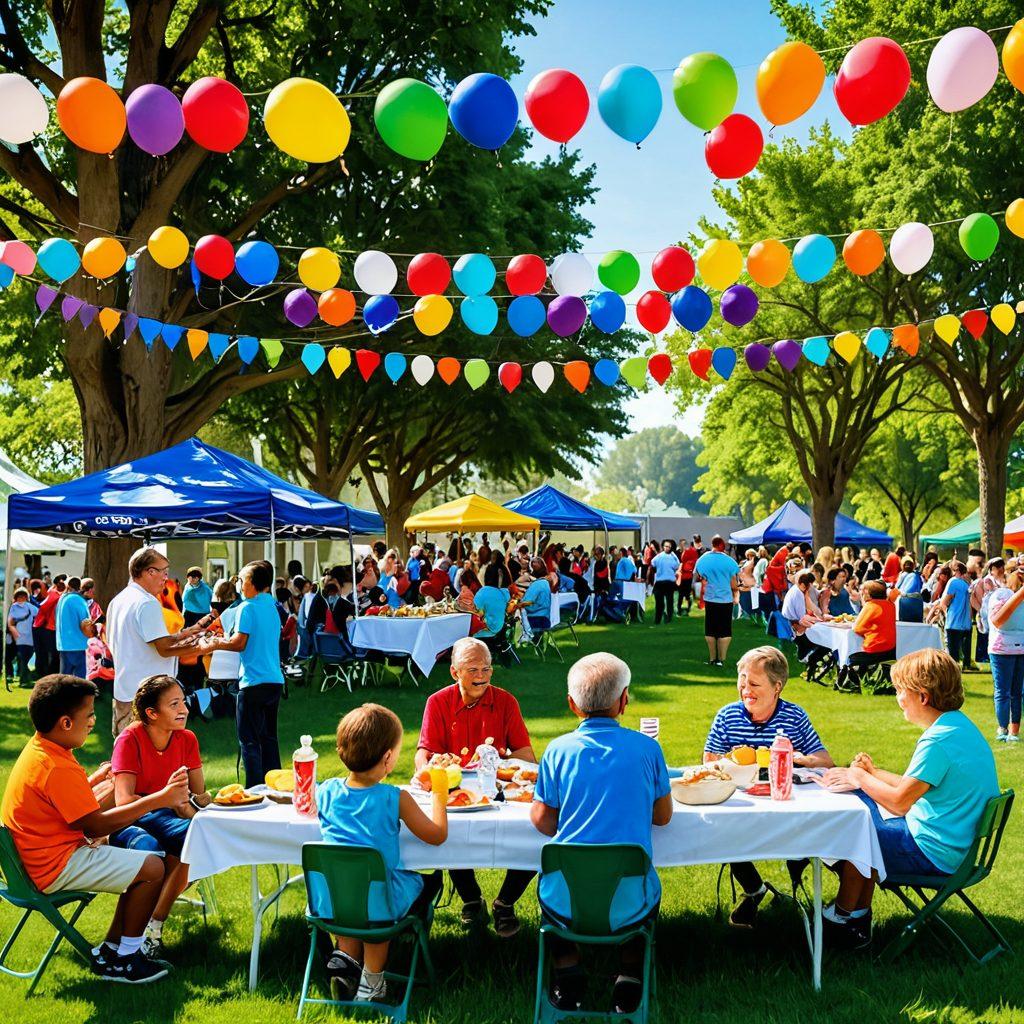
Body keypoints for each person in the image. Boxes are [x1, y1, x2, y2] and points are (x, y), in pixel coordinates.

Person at [1, 674, 189, 982]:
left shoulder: (42, 750)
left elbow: (60, 803)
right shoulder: (57, 766)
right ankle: (126, 961)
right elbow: (95, 824)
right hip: (54, 866)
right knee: (153, 867)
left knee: (140, 862)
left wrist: (93, 781)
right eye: (88, 715)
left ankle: (113, 949)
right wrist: (160, 798)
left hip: (34, 863)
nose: (92, 721)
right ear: (65, 723)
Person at [819, 650, 999, 949]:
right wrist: (872, 772)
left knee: (853, 831)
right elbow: (910, 787)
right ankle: (857, 915)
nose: (897, 696)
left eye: (901, 690)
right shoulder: (958, 727)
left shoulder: (937, 741)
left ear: (923, 697)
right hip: (955, 848)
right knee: (864, 816)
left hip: (934, 853)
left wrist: (860, 778)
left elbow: (900, 802)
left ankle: (844, 918)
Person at [531, 652, 672, 1014]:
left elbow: (544, 820)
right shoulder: (647, 749)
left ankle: (567, 971)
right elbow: (663, 816)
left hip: (566, 899)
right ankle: (629, 975)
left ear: (571, 705)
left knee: (550, 882)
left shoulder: (557, 751)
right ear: (624, 700)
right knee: (638, 884)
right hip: (631, 899)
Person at [317, 704, 448, 1003]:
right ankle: (372, 982)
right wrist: (439, 790)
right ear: (388, 757)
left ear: (341, 750)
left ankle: (347, 962)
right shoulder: (395, 797)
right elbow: (437, 835)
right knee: (379, 903)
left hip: (331, 899)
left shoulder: (325, 792)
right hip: (379, 900)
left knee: (354, 894)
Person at [703, 647, 834, 926]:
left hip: (784, 803)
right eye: (741, 681)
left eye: (753, 683)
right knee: (727, 832)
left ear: (777, 687)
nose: (744, 690)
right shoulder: (728, 716)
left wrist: (796, 757)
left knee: (801, 834)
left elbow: (825, 760)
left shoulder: (794, 717)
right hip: (740, 805)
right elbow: (709, 762)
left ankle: (798, 891)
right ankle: (754, 889)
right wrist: (729, 761)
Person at [415, 637, 536, 937]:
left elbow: (527, 757)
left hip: (499, 791)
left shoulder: (505, 701)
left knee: (535, 832)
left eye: (487, 669)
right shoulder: (438, 702)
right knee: (447, 834)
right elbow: (423, 752)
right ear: (454, 672)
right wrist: (428, 767)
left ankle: (505, 902)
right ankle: (471, 898)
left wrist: (501, 758)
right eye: (473, 670)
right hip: (456, 791)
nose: (482, 676)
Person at [111, 674, 206, 958]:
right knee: (195, 838)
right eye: (174, 704)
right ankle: (150, 929)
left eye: (183, 702)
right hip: (134, 819)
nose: (185, 709)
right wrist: (170, 800)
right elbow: (124, 800)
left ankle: (153, 925)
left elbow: (199, 795)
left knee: (195, 841)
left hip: (171, 815)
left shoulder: (187, 739)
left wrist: (191, 804)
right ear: (151, 713)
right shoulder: (129, 739)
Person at [199, 560, 283, 788]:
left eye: (243, 580)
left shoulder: (247, 607)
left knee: (249, 740)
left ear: (253, 584)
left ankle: (255, 789)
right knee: (269, 738)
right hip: (275, 680)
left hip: (252, 682)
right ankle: (277, 786)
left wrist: (214, 644)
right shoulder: (272, 606)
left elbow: (239, 643)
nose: (239, 585)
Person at [986, 564, 1024, 742]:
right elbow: (998, 620)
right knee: (1003, 691)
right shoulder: (1000, 595)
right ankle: (1003, 729)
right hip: (1001, 649)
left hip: (1020, 648)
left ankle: (1013, 731)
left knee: (1017, 692)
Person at [694, 537, 739, 666]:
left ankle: (712, 658)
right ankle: (722, 659)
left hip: (710, 598)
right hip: (725, 599)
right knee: (724, 630)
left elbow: (699, 576)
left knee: (710, 629)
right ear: (721, 545)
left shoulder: (702, 560)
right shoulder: (730, 561)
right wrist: (736, 592)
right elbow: (734, 583)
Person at [844, 580, 897, 679]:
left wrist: (868, 630)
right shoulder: (891, 605)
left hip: (874, 649)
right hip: (891, 650)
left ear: (867, 593)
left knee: (850, 658)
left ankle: (852, 683)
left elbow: (857, 628)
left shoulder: (870, 605)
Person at [781, 571, 829, 670]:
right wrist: (819, 620)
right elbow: (802, 617)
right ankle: (810, 659)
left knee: (819, 630)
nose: (809, 589)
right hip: (794, 625)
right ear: (803, 584)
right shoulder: (798, 593)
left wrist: (819, 616)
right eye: (808, 586)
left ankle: (806, 656)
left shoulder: (797, 589)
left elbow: (809, 606)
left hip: (794, 623)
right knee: (823, 638)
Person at [937, 561, 972, 669]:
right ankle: (966, 665)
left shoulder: (954, 583)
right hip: (966, 622)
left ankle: (953, 668)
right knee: (965, 649)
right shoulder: (967, 585)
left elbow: (947, 600)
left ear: (956, 571)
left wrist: (943, 609)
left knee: (953, 651)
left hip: (953, 620)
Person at [55, 576, 92, 679]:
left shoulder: (62, 599)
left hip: (63, 644)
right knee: (80, 680)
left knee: (64, 680)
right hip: (79, 644)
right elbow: (86, 622)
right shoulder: (78, 600)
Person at [33, 576, 62, 677]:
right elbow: (44, 606)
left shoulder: (54, 593)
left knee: (51, 653)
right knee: (47, 653)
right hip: (45, 627)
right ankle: (45, 673)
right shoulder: (54, 593)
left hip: (49, 627)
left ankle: (47, 673)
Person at [7, 587, 36, 687]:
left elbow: (39, 613)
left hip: (28, 638)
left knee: (25, 658)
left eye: (23, 596)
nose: (21, 598)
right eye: (19, 596)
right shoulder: (15, 607)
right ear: (16, 597)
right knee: (23, 658)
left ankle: (25, 678)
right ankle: (24, 680)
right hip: (20, 638)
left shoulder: (28, 606)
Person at [651, 540, 680, 625]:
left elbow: (653, 564)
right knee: (664, 602)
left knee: (665, 602)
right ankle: (663, 619)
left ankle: (662, 619)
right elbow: (677, 566)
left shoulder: (660, 556)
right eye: (666, 546)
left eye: (668, 546)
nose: (667, 548)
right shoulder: (669, 557)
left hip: (665, 582)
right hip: (665, 581)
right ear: (663, 547)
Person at [677, 539, 699, 615]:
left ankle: (687, 609)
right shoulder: (681, 552)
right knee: (681, 594)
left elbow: (695, 561)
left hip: (688, 575)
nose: (681, 546)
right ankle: (679, 609)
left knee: (686, 594)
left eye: (682, 544)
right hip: (682, 576)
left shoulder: (690, 551)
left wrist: (688, 567)